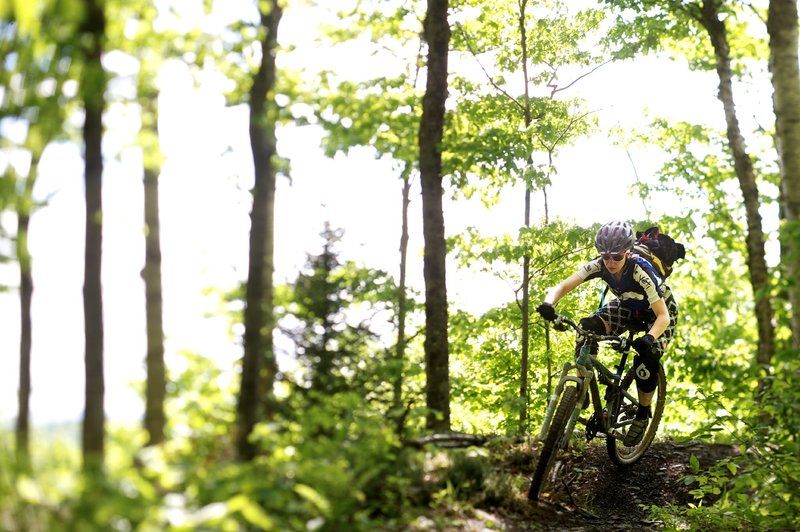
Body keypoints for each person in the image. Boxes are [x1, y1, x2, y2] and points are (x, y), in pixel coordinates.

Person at [536, 220, 679, 446]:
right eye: (605, 256)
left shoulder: (641, 270)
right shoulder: (600, 265)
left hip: (659, 313)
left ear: (628, 252)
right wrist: (548, 304)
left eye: (617, 257)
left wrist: (649, 338)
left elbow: (663, 316)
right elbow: (564, 285)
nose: (610, 262)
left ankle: (642, 413)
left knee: (646, 358)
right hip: (627, 306)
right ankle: (580, 390)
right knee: (586, 327)